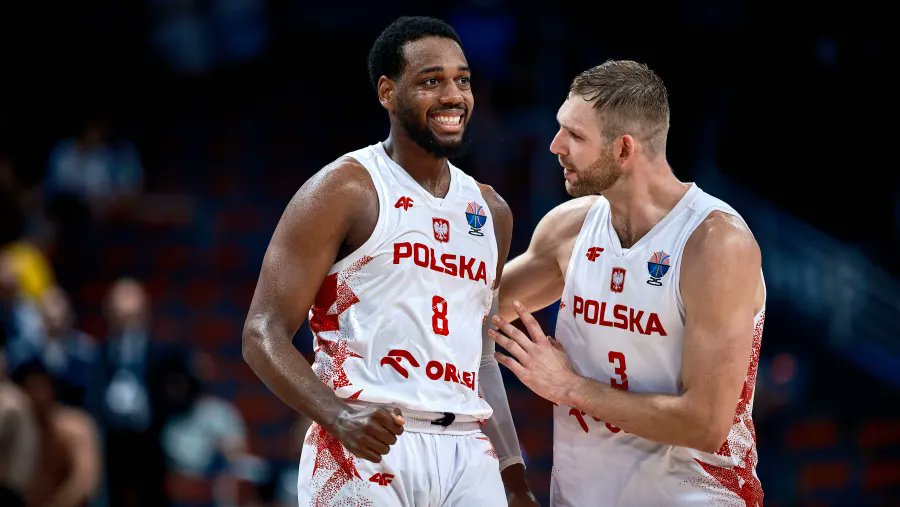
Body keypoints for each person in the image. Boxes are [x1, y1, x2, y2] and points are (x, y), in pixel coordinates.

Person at [242, 15, 536, 507]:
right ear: (386, 92)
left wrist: (512, 471)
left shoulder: (491, 212)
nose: (453, 95)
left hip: (467, 449)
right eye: (431, 81)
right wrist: (336, 415)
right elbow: (261, 332)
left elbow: (480, 357)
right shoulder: (344, 189)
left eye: (462, 80)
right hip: (365, 441)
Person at [490, 60, 766, 506]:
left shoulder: (715, 244)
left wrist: (570, 387)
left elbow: (705, 424)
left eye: (575, 136)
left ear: (623, 149)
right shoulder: (569, 230)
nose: (554, 145)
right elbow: (471, 308)